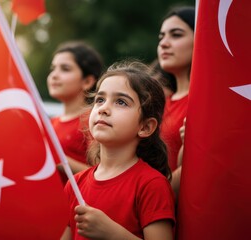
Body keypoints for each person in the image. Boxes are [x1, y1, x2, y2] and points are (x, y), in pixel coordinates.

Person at [62, 60, 175, 240]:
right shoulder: (74, 184)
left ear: (146, 127)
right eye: (100, 99)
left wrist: (111, 233)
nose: (103, 109)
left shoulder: (152, 185)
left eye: (121, 102)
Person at [47, 41, 104, 184]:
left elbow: (102, 173)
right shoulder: (49, 123)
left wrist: (58, 159)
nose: (54, 75)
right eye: (53, 69)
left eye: (65, 69)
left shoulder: (94, 120)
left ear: (87, 81)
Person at [157, 6, 195, 197]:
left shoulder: (204, 105)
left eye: (176, 35)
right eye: (161, 37)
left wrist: (143, 198)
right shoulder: (157, 103)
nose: (164, 43)